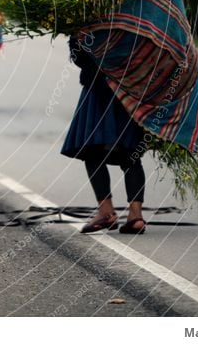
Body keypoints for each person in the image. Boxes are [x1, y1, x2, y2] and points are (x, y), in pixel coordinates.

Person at [61, 36, 147, 234]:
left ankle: (106, 211)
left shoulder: (89, 12)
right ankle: (136, 216)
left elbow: (79, 54)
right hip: (132, 87)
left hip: (98, 88)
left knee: (92, 150)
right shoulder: (141, 10)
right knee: (130, 152)